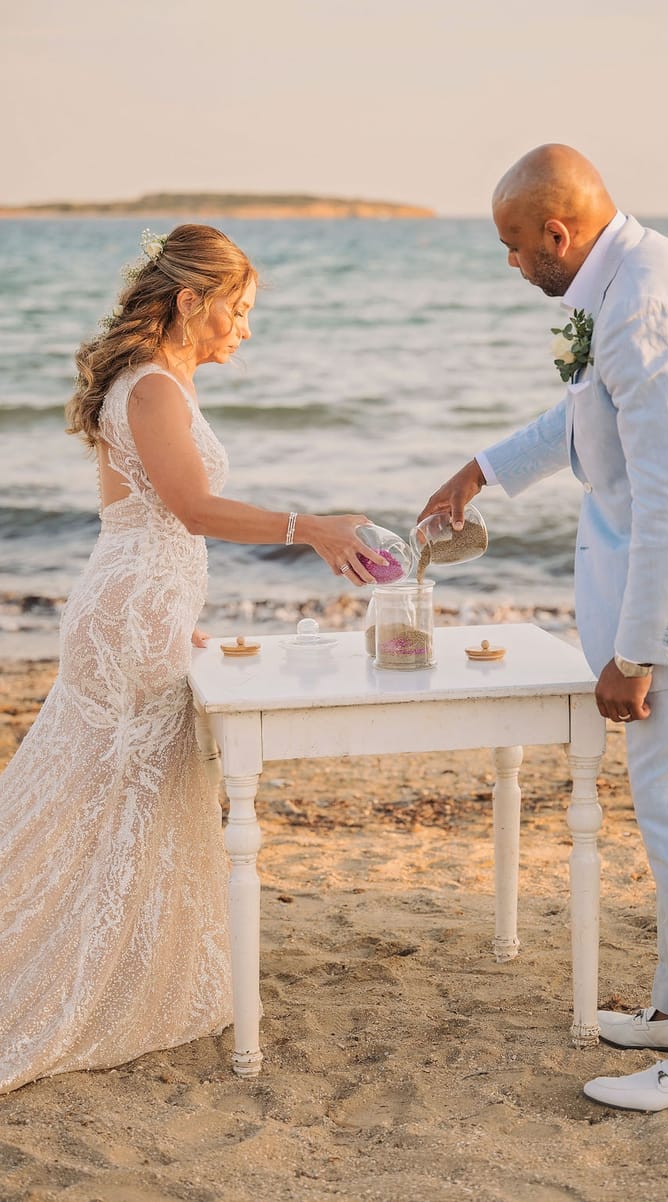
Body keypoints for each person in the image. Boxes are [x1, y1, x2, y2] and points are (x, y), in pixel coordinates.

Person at [418, 144, 668, 1111]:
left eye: (514, 246)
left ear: (559, 232)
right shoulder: (622, 280)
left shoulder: (645, 306)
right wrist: (482, 469)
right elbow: (584, 413)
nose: (511, 264)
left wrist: (638, 651)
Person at [0, 224, 385, 1094]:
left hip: (139, 610)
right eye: (237, 310)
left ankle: (120, 967)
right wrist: (310, 527)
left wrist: (174, 618)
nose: (244, 330)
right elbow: (193, 510)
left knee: (97, 801)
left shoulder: (159, 384)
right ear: (190, 301)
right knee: (103, 800)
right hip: (130, 615)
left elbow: (154, 520)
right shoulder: (152, 392)